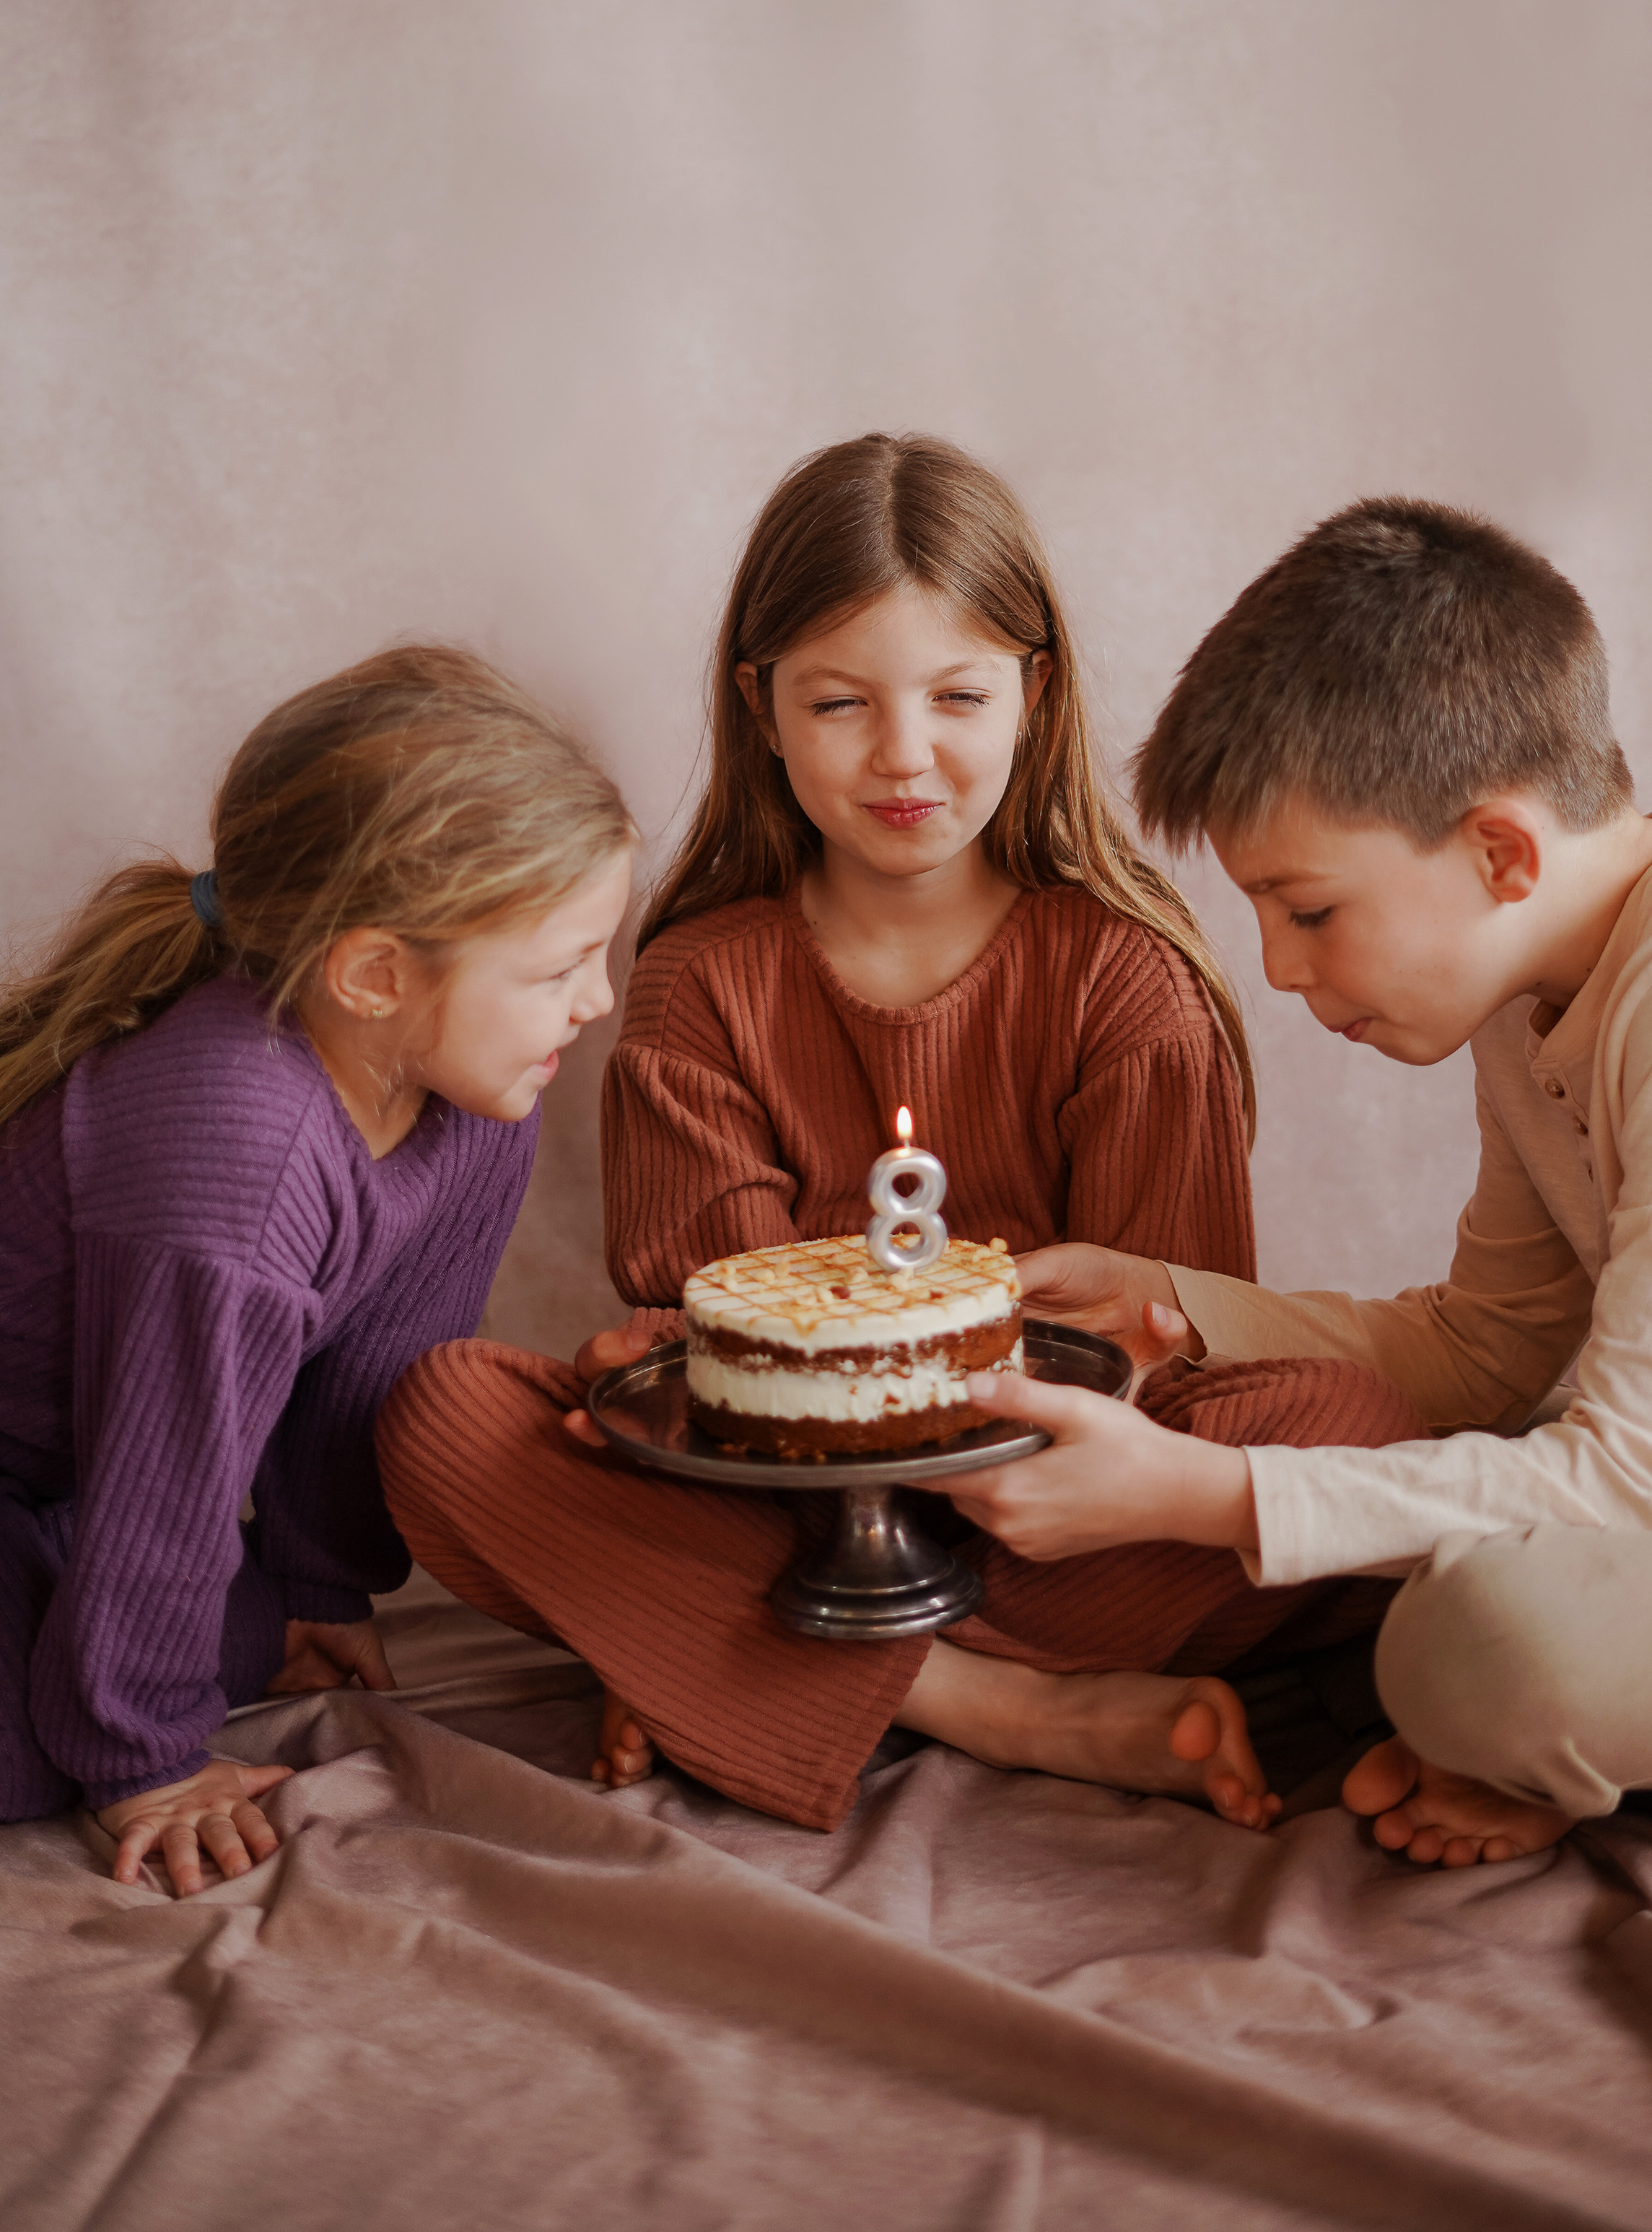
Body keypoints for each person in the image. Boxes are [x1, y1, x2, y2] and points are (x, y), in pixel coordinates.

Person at [380, 437, 1420, 1832]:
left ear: (1034, 694)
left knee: (1353, 1425)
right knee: (446, 1413)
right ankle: (988, 1703)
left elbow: (1170, 1352)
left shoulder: (1124, 981)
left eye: (958, 695)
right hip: (772, 1506)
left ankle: (707, 1656)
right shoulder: (703, 981)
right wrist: (659, 1384)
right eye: (839, 701)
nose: (904, 755)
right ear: (762, 708)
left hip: (1056, 1517)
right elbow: (728, 1376)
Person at [940, 494, 1652, 1867]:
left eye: (1309, 912)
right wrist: (1171, 1300)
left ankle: (1615, 1729)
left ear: (1500, 852)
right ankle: (1600, 1730)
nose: (1287, 971)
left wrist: (1201, 1494)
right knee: (1425, 1608)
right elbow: (1489, 1347)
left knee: (1477, 1643)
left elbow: (1650, 1477)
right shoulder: (1530, 975)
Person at [0, 646, 633, 1894]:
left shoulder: (480, 1102)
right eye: (559, 969)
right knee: (45, 1752)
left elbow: (375, 1373)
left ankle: (108, 1648)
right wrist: (143, 1757)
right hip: (75, 1476)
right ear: (376, 975)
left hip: (81, 1497)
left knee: (222, 1632)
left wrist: (316, 1581)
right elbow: (171, 1461)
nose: (597, 1002)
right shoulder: (235, 1141)